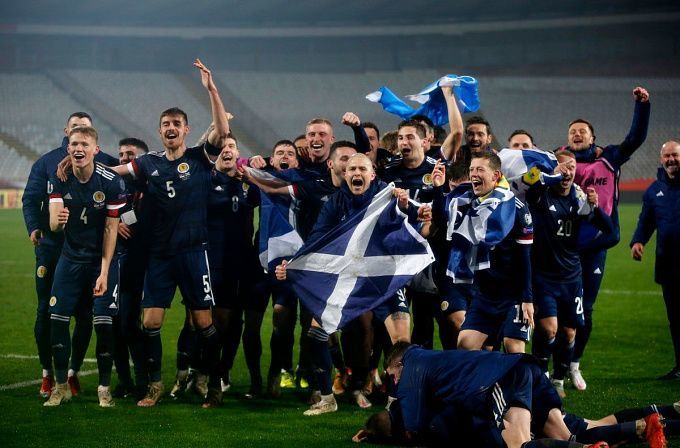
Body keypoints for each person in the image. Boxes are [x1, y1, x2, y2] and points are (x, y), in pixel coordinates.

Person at [110, 59, 230, 408]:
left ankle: (213, 386)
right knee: (150, 322)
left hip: (194, 252)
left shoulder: (199, 158)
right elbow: (114, 170)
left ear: (187, 130)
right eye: (166, 124)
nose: (171, 128)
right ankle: (154, 386)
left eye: (177, 123)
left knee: (204, 323)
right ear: (160, 131)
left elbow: (222, 133)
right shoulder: (149, 163)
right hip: (160, 254)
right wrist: (80, 164)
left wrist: (212, 89)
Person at [275, 153, 429, 416]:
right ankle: (327, 399)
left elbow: (416, 214)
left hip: (384, 278)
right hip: (351, 279)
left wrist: (412, 209)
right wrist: (293, 263)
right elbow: (317, 237)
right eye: (352, 169)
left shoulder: (389, 194)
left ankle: (397, 401)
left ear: (372, 174)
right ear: (345, 175)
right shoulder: (336, 202)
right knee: (317, 333)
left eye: (362, 169)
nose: (357, 173)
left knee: (402, 343)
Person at [22, 112, 117, 398]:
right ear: (67, 132)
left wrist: (128, 220)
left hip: (88, 252)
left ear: (94, 141)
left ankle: (72, 372)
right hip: (53, 248)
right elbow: (30, 198)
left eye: (85, 132)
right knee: (47, 310)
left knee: (86, 314)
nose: (79, 140)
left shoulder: (105, 164)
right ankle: (47, 373)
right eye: (75, 131)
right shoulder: (47, 164)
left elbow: (122, 184)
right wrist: (35, 227)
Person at [565, 86, 650, 391]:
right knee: (554, 310)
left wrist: (642, 106)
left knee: (585, 309)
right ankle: (554, 366)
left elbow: (635, 139)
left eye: (582, 131)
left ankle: (574, 365)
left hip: (596, 244)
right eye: (573, 131)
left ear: (593, 138)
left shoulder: (609, 157)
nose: (577, 134)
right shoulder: (558, 161)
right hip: (564, 246)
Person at [378, 342, 605, 448]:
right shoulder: (433, 359)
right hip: (521, 367)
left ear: (399, 364)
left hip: (503, 378)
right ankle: (626, 429)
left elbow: (413, 425)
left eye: (392, 376)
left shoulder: (413, 366)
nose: (395, 382)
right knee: (569, 433)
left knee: (519, 444)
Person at [45, 126, 126, 407]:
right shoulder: (59, 178)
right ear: (68, 148)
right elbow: (53, 224)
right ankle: (60, 386)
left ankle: (104, 388)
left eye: (84, 144)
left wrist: (104, 272)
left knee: (103, 324)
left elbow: (111, 230)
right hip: (70, 259)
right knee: (57, 320)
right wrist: (58, 221)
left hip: (100, 261)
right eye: (74, 144)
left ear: (96, 150)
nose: (79, 148)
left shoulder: (111, 181)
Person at [526, 150, 613, 397]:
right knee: (548, 329)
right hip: (544, 277)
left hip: (571, 278)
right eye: (562, 166)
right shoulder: (541, 195)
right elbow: (530, 188)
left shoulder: (578, 197)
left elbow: (609, 229)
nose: (567, 171)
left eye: (571, 167)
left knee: (568, 332)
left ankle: (558, 379)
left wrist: (595, 207)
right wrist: (550, 175)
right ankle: (540, 374)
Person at [432, 153, 534, 353]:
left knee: (513, 347)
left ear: (496, 176)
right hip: (485, 294)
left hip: (512, 294)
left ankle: (532, 375)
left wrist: (527, 299)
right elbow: (441, 221)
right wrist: (437, 188)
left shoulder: (516, 208)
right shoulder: (466, 202)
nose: (473, 175)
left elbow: (525, 259)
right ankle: (489, 374)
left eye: (480, 170)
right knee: (465, 345)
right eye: (472, 170)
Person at [631, 140, 680, 380]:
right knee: (675, 319)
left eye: (675, 155)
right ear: (661, 159)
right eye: (667, 156)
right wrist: (638, 241)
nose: (671, 160)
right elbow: (647, 220)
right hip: (668, 264)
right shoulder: (654, 190)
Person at [112, 137, 149, 400]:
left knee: (129, 324)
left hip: (138, 265)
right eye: (122, 154)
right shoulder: (113, 186)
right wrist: (113, 224)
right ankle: (124, 381)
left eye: (131, 155)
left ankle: (143, 381)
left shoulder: (150, 187)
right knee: (114, 327)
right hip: (112, 263)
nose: (125, 158)